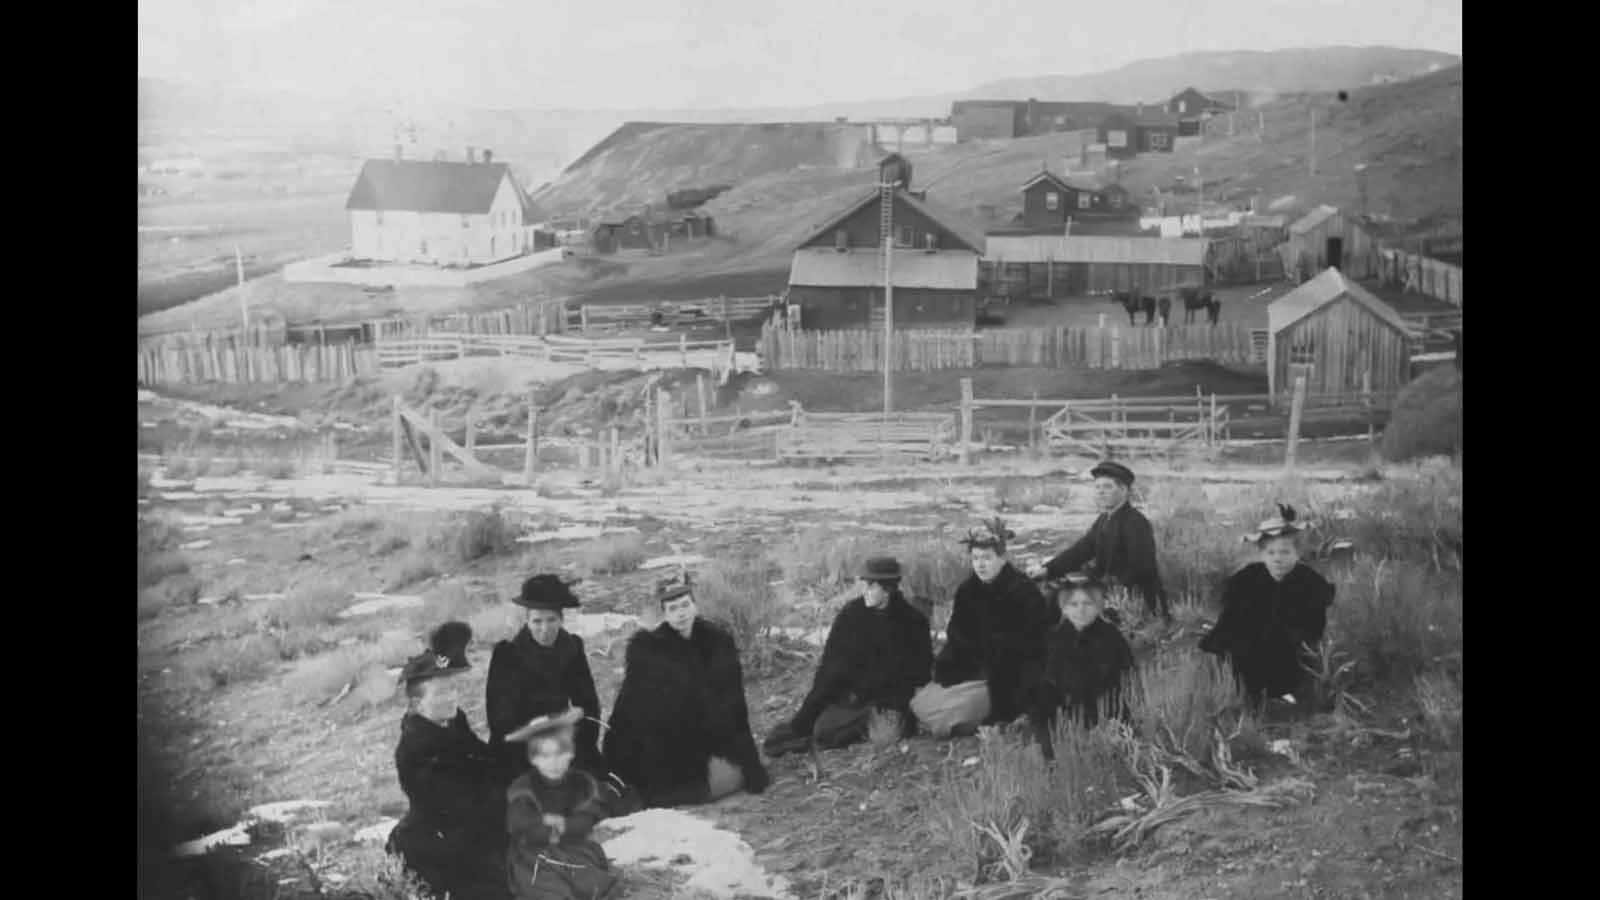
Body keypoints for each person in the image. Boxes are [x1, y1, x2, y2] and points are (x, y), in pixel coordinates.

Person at [603, 570, 770, 807]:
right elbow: (628, 708)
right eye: (673, 609)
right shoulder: (648, 652)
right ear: (664, 614)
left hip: (713, 741)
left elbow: (735, 707)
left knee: (724, 782)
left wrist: (750, 761)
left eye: (684, 605)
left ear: (695, 606)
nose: (681, 613)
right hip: (665, 744)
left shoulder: (719, 644)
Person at [386, 622, 512, 900]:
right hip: (443, 840)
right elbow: (456, 803)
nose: (452, 697)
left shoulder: (454, 722)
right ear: (418, 705)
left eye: (452, 689)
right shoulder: (415, 750)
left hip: (476, 820)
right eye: (440, 693)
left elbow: (484, 760)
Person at [762, 556, 933, 756]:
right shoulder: (851, 615)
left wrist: (888, 699)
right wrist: (802, 720)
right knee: (817, 729)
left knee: (829, 733)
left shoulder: (913, 621)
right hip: (854, 699)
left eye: (871, 586)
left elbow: (920, 673)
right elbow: (829, 672)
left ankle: (881, 725)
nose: (864, 591)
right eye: (865, 584)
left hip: (891, 703)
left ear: (887, 589)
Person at [910, 518, 1059, 738]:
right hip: (973, 671)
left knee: (951, 713)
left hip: (1010, 679)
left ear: (1002, 558)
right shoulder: (968, 590)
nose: (980, 565)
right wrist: (956, 666)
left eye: (987, 558)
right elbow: (957, 636)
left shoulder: (1023, 591)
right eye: (976, 559)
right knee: (921, 702)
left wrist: (993, 663)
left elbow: (1032, 647)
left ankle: (993, 721)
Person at [1199, 504, 1336, 713]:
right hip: (1251, 655)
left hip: (1291, 654)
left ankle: (1295, 699)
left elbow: (1314, 628)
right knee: (1238, 652)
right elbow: (1229, 621)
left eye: (1285, 552)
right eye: (1270, 552)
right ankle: (1249, 701)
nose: (1277, 558)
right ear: (1262, 554)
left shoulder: (1308, 583)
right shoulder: (1247, 580)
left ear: (1297, 554)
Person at [486, 575, 606, 781]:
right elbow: (499, 719)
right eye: (537, 621)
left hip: (565, 741)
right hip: (520, 748)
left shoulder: (573, 646)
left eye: (552, 620)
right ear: (527, 621)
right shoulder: (507, 654)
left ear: (562, 619)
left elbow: (588, 703)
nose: (544, 629)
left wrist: (581, 742)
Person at [1028, 460, 1170, 623]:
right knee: (1053, 594)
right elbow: (1080, 551)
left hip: (1135, 602)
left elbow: (1141, 569)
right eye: (1097, 487)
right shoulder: (1104, 519)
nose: (1100, 492)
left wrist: (1104, 592)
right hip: (1110, 591)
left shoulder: (1135, 522)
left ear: (1123, 490)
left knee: (1072, 604)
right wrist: (1047, 569)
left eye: (1107, 487)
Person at [503, 708, 623, 900]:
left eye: (560, 754)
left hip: (575, 848)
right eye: (545, 756)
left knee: (598, 886)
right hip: (535, 856)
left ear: (571, 753)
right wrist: (544, 825)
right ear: (534, 759)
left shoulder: (581, 783)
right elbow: (518, 823)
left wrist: (564, 825)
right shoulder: (524, 788)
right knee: (550, 890)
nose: (554, 762)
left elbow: (589, 816)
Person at [1030, 574, 1136, 761]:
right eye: (1073, 604)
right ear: (1064, 608)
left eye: (1088, 603)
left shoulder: (1112, 638)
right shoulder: (1052, 640)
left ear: (1098, 606)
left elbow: (1129, 684)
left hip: (1106, 719)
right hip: (1063, 723)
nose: (1081, 610)